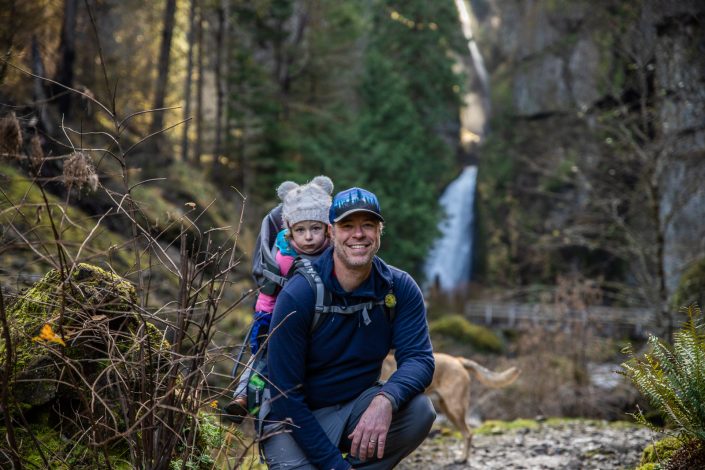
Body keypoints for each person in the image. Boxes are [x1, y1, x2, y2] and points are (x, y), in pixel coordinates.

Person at [262, 187, 436, 470]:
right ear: (331, 233)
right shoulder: (301, 294)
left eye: (367, 225)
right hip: (294, 419)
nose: (358, 235)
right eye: (347, 225)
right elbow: (284, 395)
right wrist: (334, 466)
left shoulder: (399, 288)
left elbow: (419, 359)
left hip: (356, 410)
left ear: (379, 231)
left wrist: (385, 400)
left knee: (419, 411)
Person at [225, 175, 334, 418]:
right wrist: (263, 319)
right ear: (290, 232)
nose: (308, 237)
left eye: (315, 229)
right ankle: (244, 397)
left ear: (327, 228)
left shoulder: (335, 252)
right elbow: (268, 292)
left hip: (323, 318)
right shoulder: (283, 258)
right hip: (283, 316)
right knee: (262, 355)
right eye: (301, 230)